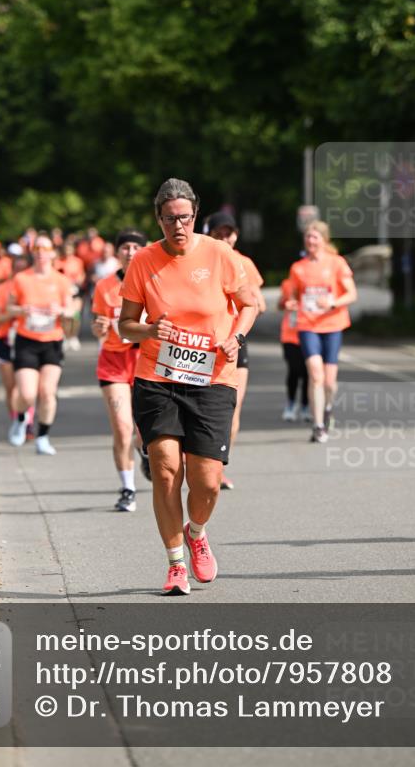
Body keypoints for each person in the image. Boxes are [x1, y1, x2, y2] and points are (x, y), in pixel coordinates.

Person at [119, 179, 257, 596]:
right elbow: (126, 326)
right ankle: (175, 563)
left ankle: (196, 531)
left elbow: (248, 304)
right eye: (169, 219)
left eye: (185, 217)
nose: (178, 226)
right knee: (164, 471)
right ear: (157, 219)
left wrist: (237, 336)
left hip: (212, 379)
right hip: (157, 379)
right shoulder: (143, 261)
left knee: (207, 481)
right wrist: (148, 328)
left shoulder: (220, 255)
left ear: (195, 215)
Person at [205, 211, 266, 490]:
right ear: (209, 234)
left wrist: (246, 307)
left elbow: (259, 304)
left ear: (236, 235)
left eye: (228, 233)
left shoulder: (244, 264)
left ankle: (218, 467)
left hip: (236, 342)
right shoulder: (201, 259)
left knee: (233, 408)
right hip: (205, 343)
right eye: (218, 232)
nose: (224, 237)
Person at [91, 229, 150, 513]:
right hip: (114, 361)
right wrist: (98, 328)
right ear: (117, 253)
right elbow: (98, 323)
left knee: (144, 431)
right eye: (124, 247)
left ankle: (144, 450)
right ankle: (127, 487)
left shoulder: (153, 281)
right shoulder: (104, 286)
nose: (130, 251)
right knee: (123, 428)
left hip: (146, 361)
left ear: (144, 249)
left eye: (135, 246)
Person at [284, 221, 357, 444]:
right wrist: (291, 304)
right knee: (315, 374)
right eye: (307, 237)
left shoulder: (337, 263)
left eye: (315, 237)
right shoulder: (298, 267)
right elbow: (293, 296)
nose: (310, 241)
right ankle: (317, 425)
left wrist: (333, 301)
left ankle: (327, 409)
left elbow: (352, 294)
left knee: (329, 382)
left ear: (324, 240)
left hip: (333, 325)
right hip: (308, 326)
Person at [7, 234, 73, 454]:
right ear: (33, 253)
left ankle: (42, 436)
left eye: (46, 249)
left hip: (52, 342)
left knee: (47, 392)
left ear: (53, 253)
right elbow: (9, 308)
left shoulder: (61, 280)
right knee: (27, 394)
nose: (42, 253)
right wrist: (21, 310)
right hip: (27, 340)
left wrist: (61, 312)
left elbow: (71, 309)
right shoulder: (21, 279)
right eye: (37, 249)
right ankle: (20, 419)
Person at [0, 245, 31, 420]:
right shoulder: (2, 289)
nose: (20, 273)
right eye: (17, 269)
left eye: (24, 270)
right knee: (11, 386)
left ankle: (27, 423)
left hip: (29, 339)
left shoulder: (34, 287)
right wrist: (13, 313)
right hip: (5, 339)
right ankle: (16, 420)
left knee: (27, 387)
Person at [277, 273, 310, 422]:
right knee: (294, 370)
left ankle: (305, 406)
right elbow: (280, 305)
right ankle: (290, 404)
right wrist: (286, 303)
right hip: (290, 335)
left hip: (310, 333)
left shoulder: (316, 285)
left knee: (308, 373)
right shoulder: (287, 283)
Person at [55, 240, 86, 351]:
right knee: (66, 317)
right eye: (66, 249)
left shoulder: (78, 261)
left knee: (76, 315)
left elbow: (82, 275)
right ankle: (66, 336)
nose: (68, 251)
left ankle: (73, 336)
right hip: (63, 292)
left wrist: (79, 280)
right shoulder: (58, 261)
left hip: (76, 290)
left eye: (70, 249)